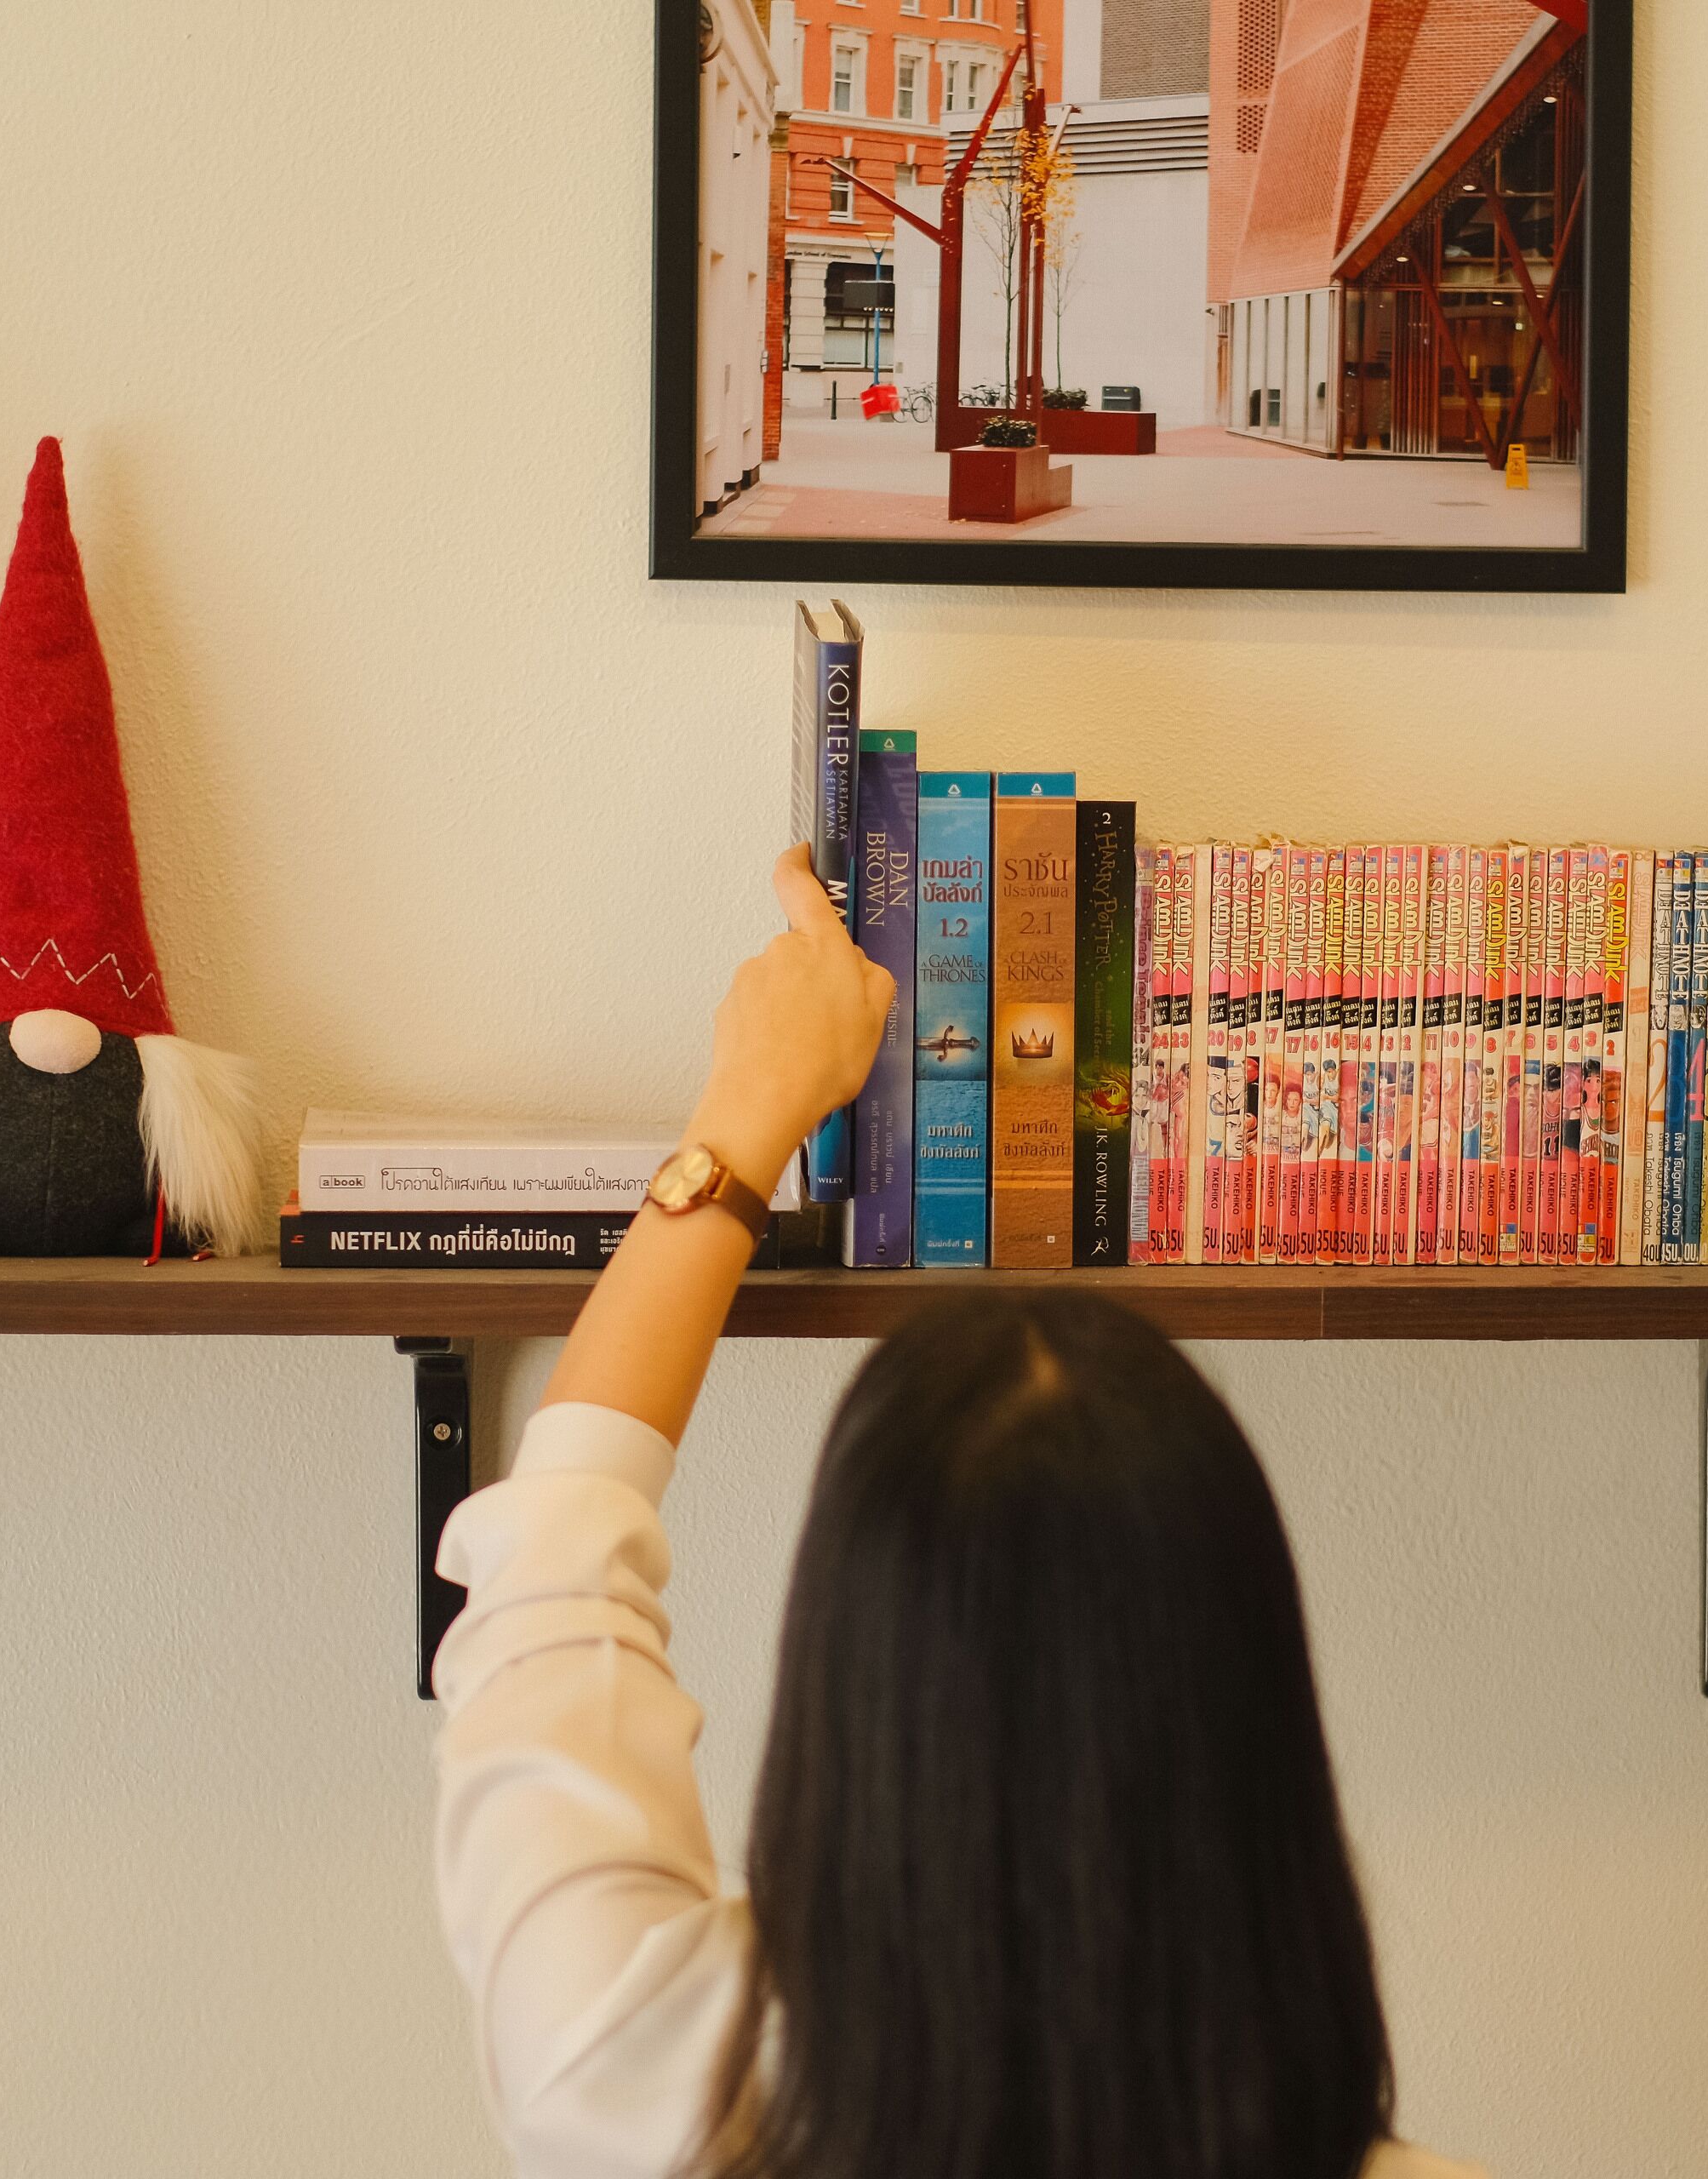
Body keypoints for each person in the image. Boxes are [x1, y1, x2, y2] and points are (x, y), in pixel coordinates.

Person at [431, 844, 1473, 2179]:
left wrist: (746, 1117)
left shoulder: (626, 2069)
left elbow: (559, 1550)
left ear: (844, 1674)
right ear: (1255, 1704)